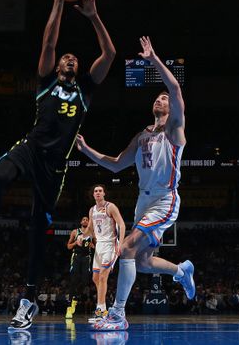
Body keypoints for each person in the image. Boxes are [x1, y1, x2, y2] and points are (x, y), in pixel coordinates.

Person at [0, 0, 116, 332]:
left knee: (36, 235)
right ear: (56, 66)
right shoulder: (46, 82)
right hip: (30, 149)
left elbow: (109, 54)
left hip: (54, 168)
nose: (70, 59)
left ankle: (28, 300)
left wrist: (92, 16)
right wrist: (58, 3)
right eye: (66, 58)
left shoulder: (86, 91)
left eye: (74, 58)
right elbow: (48, 43)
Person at [76, 36, 194, 331]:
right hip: (144, 200)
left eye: (164, 99)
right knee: (140, 261)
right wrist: (86, 148)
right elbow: (116, 162)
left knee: (126, 249)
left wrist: (153, 58)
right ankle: (182, 271)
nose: (160, 99)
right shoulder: (142, 136)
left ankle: (117, 314)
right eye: (157, 97)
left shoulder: (175, 131)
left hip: (165, 200)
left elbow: (176, 88)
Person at [86, 184, 125, 321]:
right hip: (99, 247)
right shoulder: (92, 210)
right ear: (93, 194)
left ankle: (101, 310)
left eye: (100, 191)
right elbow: (90, 229)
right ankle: (102, 306)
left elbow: (122, 224)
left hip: (110, 245)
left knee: (103, 277)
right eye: (95, 191)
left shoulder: (110, 207)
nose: (97, 193)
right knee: (95, 279)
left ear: (104, 193)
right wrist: (82, 236)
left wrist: (121, 243)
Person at [65, 216, 92, 320]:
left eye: (87, 219)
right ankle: (69, 307)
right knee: (73, 281)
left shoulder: (91, 232)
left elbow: (95, 245)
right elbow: (68, 246)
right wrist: (75, 242)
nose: (85, 221)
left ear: (89, 222)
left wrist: (92, 244)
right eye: (83, 219)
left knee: (85, 281)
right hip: (76, 257)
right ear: (81, 222)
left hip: (86, 258)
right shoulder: (75, 232)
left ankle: (75, 298)